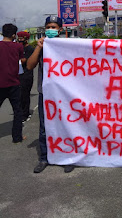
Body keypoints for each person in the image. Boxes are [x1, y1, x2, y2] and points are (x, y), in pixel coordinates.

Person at [27, 16, 74, 174]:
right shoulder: (42, 45)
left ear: (60, 29)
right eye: (48, 27)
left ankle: (67, 157)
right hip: (45, 93)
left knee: (67, 125)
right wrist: (39, 47)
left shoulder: (66, 45)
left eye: (54, 27)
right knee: (44, 128)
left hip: (64, 94)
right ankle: (44, 158)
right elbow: (30, 65)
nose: (51, 30)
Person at [0, 24, 25, 143]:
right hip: (14, 83)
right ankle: (17, 137)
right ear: (14, 35)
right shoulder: (18, 46)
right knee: (17, 111)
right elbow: (22, 60)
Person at [17, 31, 34, 122]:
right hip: (18, 74)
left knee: (25, 95)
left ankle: (25, 114)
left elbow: (24, 61)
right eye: (18, 38)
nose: (19, 40)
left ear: (26, 39)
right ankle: (21, 113)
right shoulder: (18, 47)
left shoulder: (30, 49)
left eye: (21, 38)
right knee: (19, 95)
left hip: (27, 75)